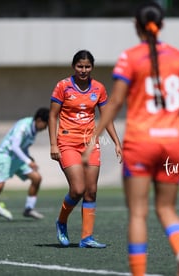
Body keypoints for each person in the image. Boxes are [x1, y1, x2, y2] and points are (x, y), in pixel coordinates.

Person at [82, 2, 179, 275]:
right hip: (172, 143)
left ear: (136, 24)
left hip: (141, 144)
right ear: (162, 24)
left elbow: (115, 102)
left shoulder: (129, 58)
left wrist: (93, 139)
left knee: (138, 213)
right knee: (167, 209)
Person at [49, 50, 122, 248]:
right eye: (80, 66)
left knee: (91, 191)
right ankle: (61, 222)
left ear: (92, 67)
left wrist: (116, 142)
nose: (83, 70)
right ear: (74, 66)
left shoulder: (98, 88)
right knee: (78, 189)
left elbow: (105, 117)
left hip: (90, 144)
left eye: (87, 66)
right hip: (67, 143)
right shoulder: (63, 86)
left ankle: (86, 238)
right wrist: (53, 144)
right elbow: (53, 116)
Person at [0, 107, 49, 219]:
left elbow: (23, 147)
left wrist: (29, 158)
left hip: (17, 159)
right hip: (5, 155)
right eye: (46, 124)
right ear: (39, 120)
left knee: (37, 178)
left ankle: (29, 209)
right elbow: (15, 147)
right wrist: (28, 161)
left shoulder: (34, 130)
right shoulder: (23, 126)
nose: (46, 128)